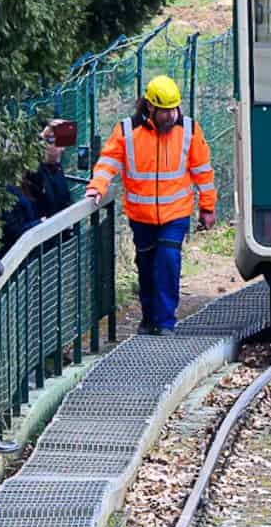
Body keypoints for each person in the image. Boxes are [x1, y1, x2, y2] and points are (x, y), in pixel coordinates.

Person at [84, 75, 216, 334]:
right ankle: (149, 317)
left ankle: (165, 321)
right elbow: (109, 162)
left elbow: (203, 171)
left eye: (173, 109)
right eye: (164, 111)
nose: (170, 116)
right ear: (149, 107)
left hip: (176, 213)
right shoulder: (126, 131)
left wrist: (207, 208)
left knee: (168, 260)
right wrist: (96, 188)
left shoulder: (189, 130)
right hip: (141, 215)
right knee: (146, 266)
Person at [0, 129, 74, 249]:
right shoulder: (8, 190)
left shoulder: (36, 176)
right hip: (27, 253)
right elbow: (13, 232)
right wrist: (40, 224)